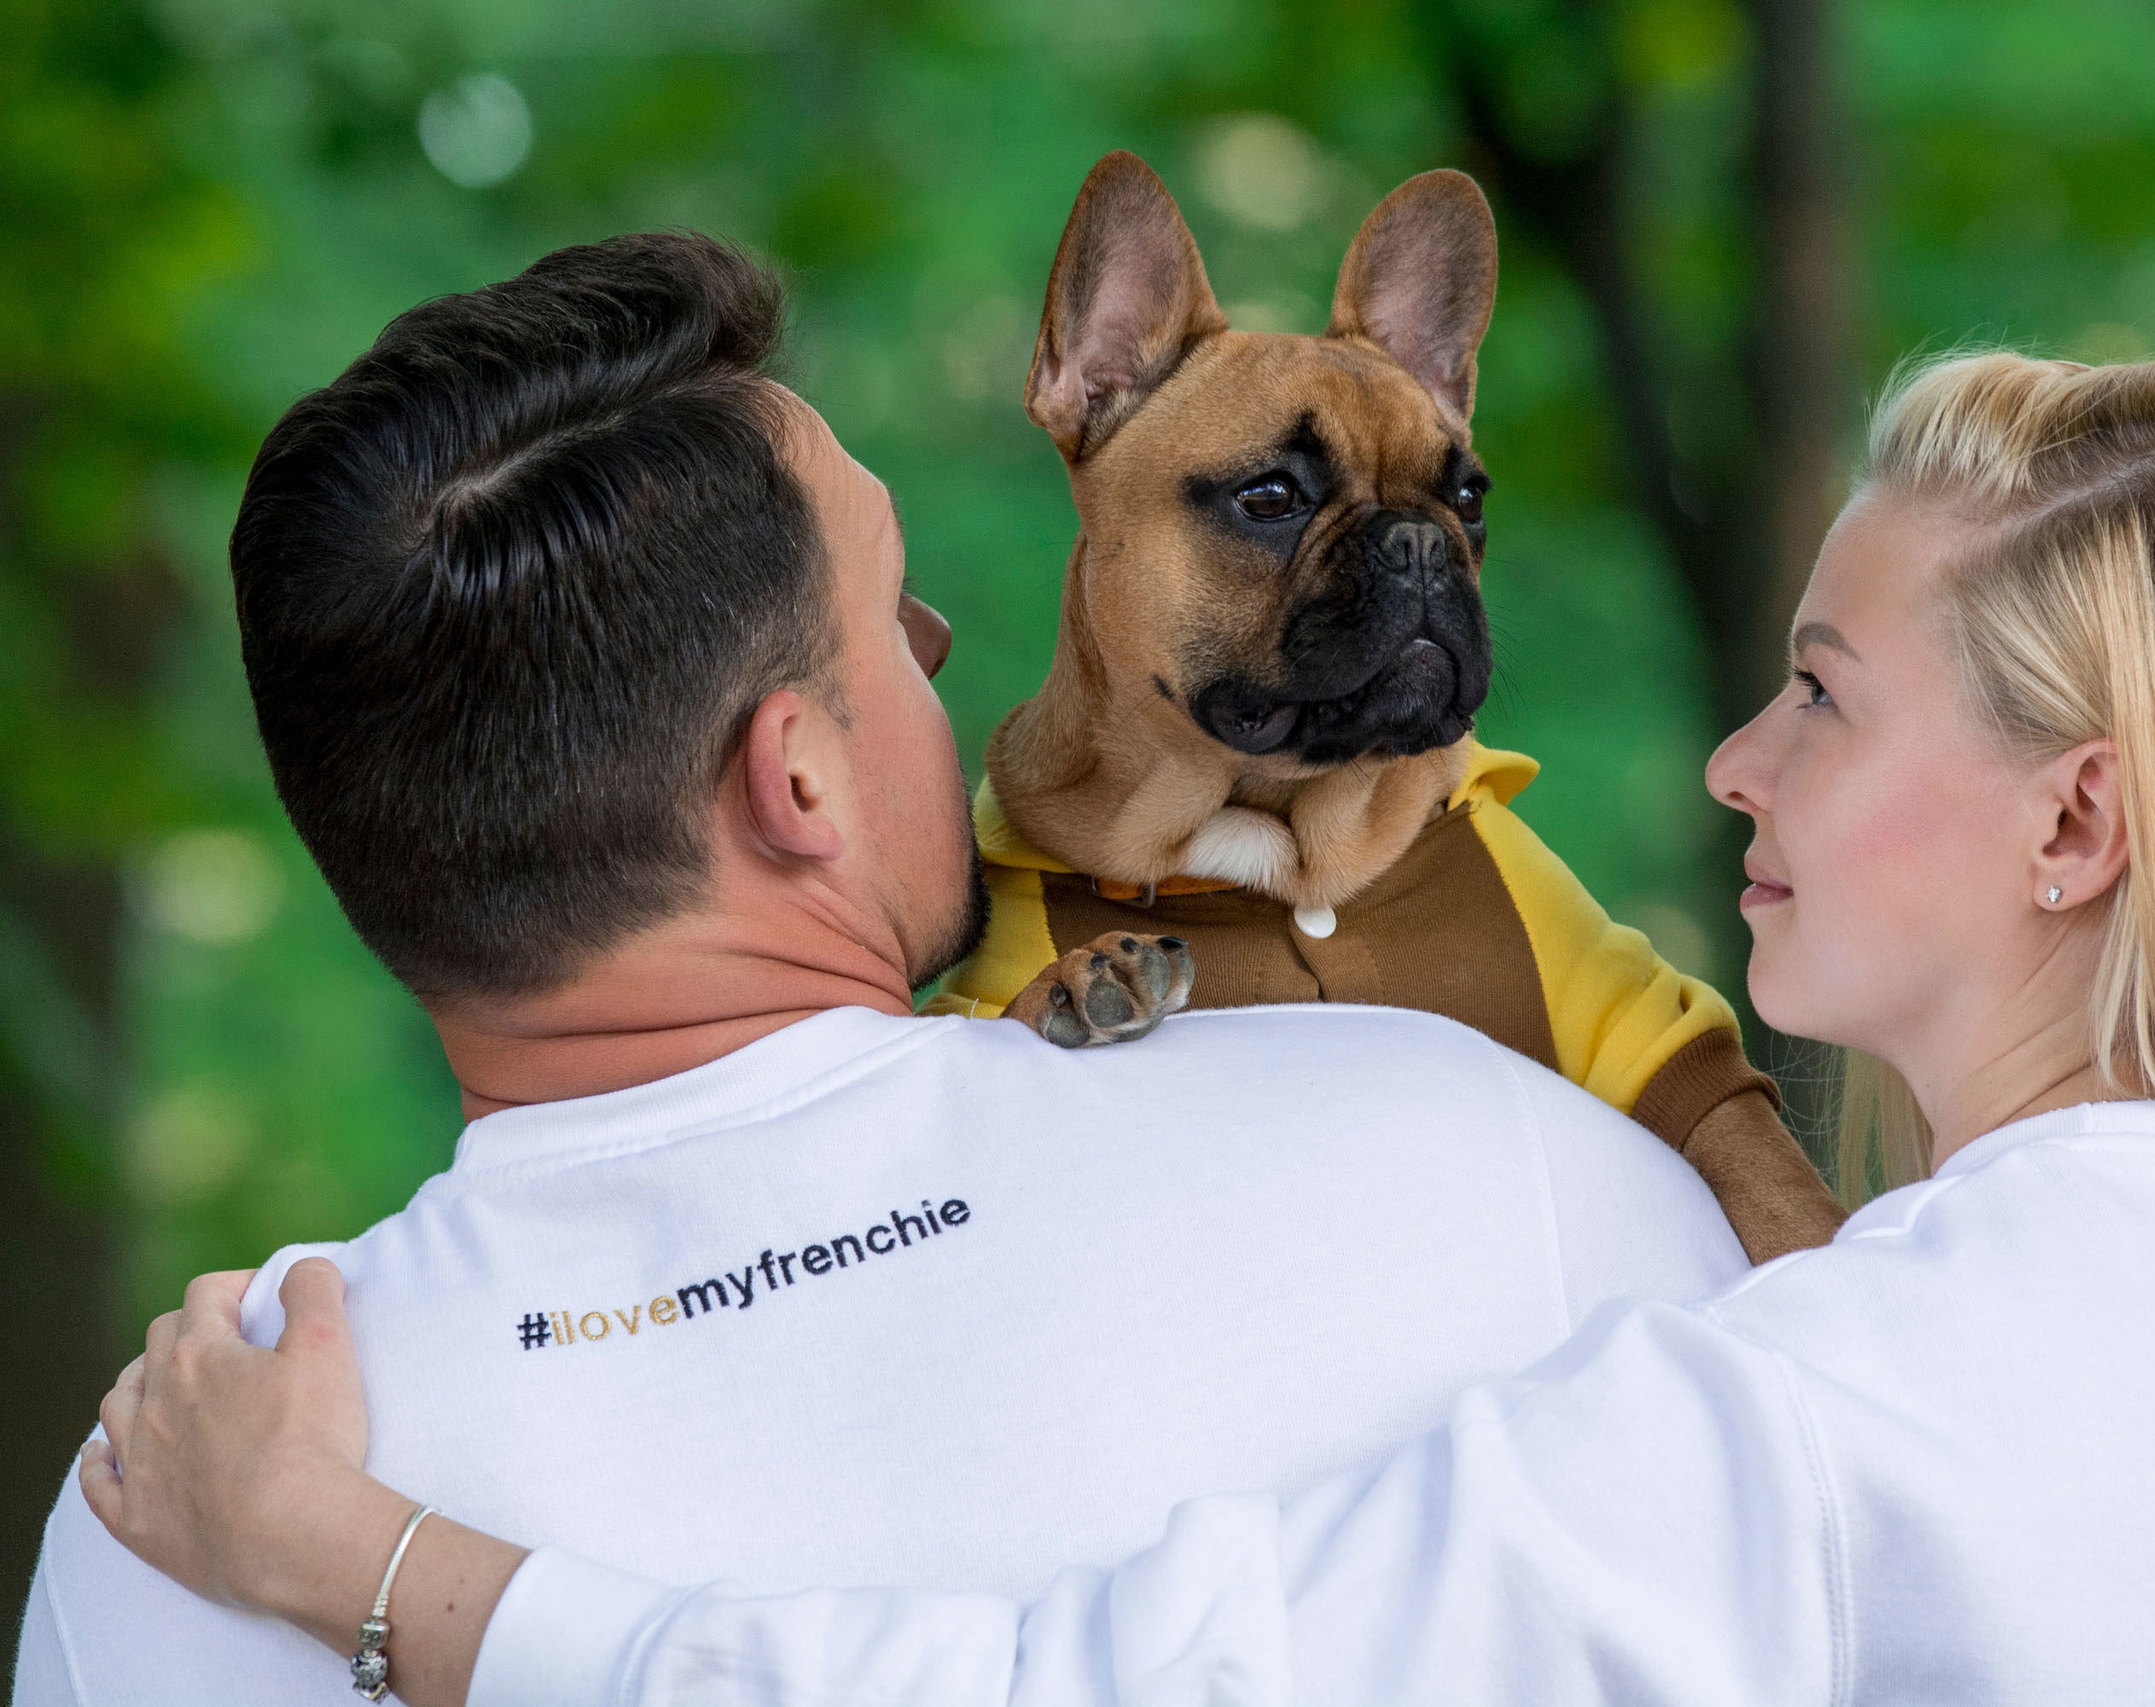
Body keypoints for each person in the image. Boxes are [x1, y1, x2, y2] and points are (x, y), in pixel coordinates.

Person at [82, 351, 2155, 1705]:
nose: (1718, 764)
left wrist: (357, 1548)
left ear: (2077, 826)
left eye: (1814, 694)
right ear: (797, 771)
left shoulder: (1798, 1400)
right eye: (896, 609)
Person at [12, 232, 1756, 1706]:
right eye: (905, 620)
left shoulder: (176, 1489)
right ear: (798, 779)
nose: (949, 661)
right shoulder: (1480, 1148)